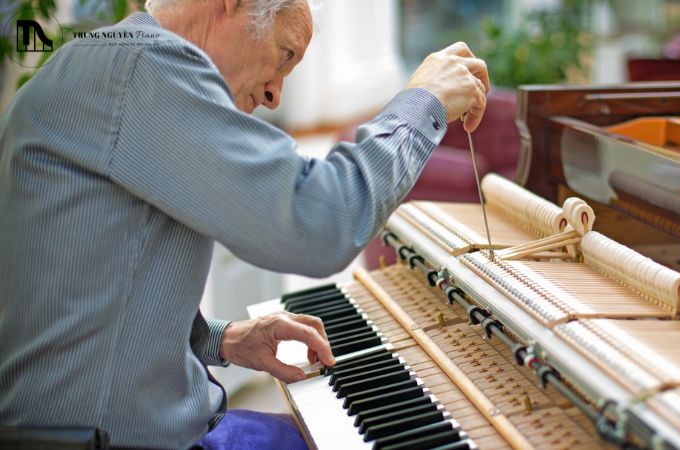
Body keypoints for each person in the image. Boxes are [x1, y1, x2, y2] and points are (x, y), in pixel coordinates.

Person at [0, 0, 489, 449]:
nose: (276, 94)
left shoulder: (95, 62)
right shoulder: (142, 67)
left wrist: (222, 338)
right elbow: (318, 223)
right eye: (283, 54)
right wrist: (423, 101)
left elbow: (82, 300)